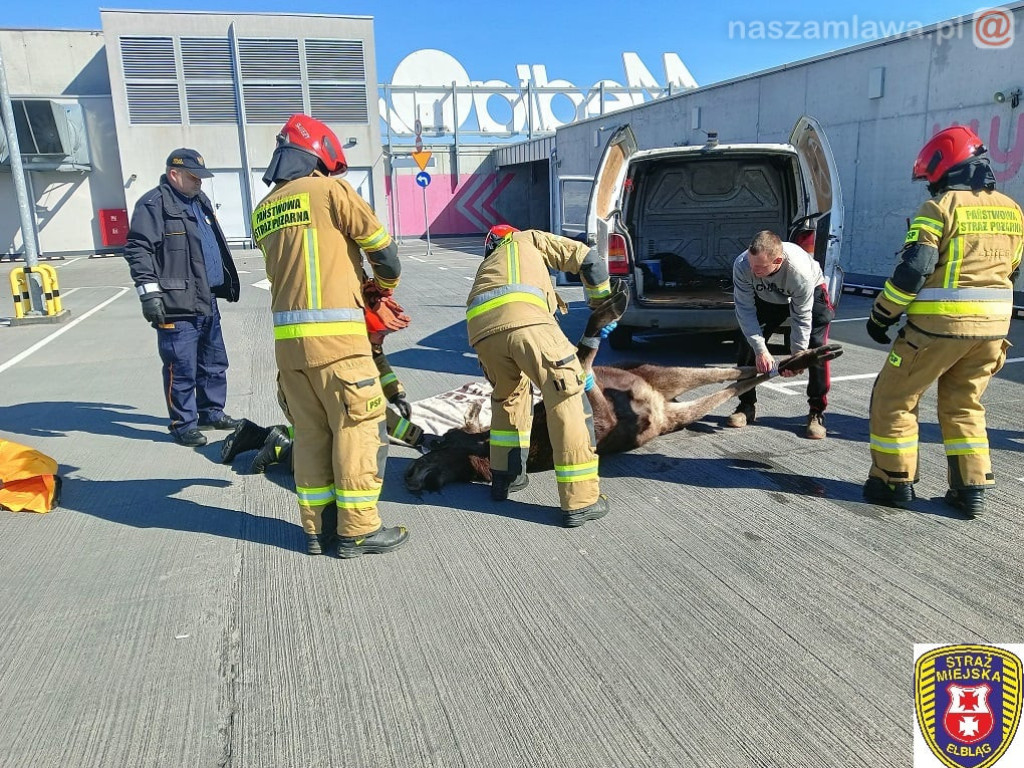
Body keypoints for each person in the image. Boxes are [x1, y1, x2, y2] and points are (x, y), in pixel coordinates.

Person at [251, 113, 408, 558]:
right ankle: (358, 529)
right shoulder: (330, 191)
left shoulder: (264, 210)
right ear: (321, 157)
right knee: (360, 429)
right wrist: (382, 289)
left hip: (290, 352)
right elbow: (386, 254)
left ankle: (318, 531)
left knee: (312, 435)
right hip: (339, 346)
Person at [862, 125, 1023, 517]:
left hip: (938, 329)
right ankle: (971, 490)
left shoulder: (940, 208)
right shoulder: (1013, 210)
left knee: (894, 398)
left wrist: (882, 314)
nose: (930, 188)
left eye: (931, 179)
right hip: (992, 332)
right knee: (963, 404)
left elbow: (914, 270)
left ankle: (892, 481)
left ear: (946, 168)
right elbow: (1012, 270)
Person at [467, 225, 611, 527]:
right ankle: (581, 500)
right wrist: (601, 306)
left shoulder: (488, 266)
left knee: (508, 397)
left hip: (481, 333)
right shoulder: (528, 239)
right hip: (528, 322)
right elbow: (589, 260)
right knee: (566, 398)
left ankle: (505, 479)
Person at [124, 148, 241, 447]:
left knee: (213, 362)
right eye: (194, 177)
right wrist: (149, 294)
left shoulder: (197, 201)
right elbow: (139, 249)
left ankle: (211, 411)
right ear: (174, 174)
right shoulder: (154, 205)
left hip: (206, 299)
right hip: (177, 303)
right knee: (182, 367)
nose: (200, 182)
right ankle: (183, 423)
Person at [726, 230, 835, 439]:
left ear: (777, 260)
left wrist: (798, 357)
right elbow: (745, 311)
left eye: (759, 267)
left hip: (811, 292)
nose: (753, 269)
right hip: (767, 297)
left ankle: (816, 412)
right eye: (751, 264)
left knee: (817, 350)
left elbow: (801, 318)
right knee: (746, 345)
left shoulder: (799, 272)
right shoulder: (743, 265)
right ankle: (746, 406)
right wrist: (761, 350)